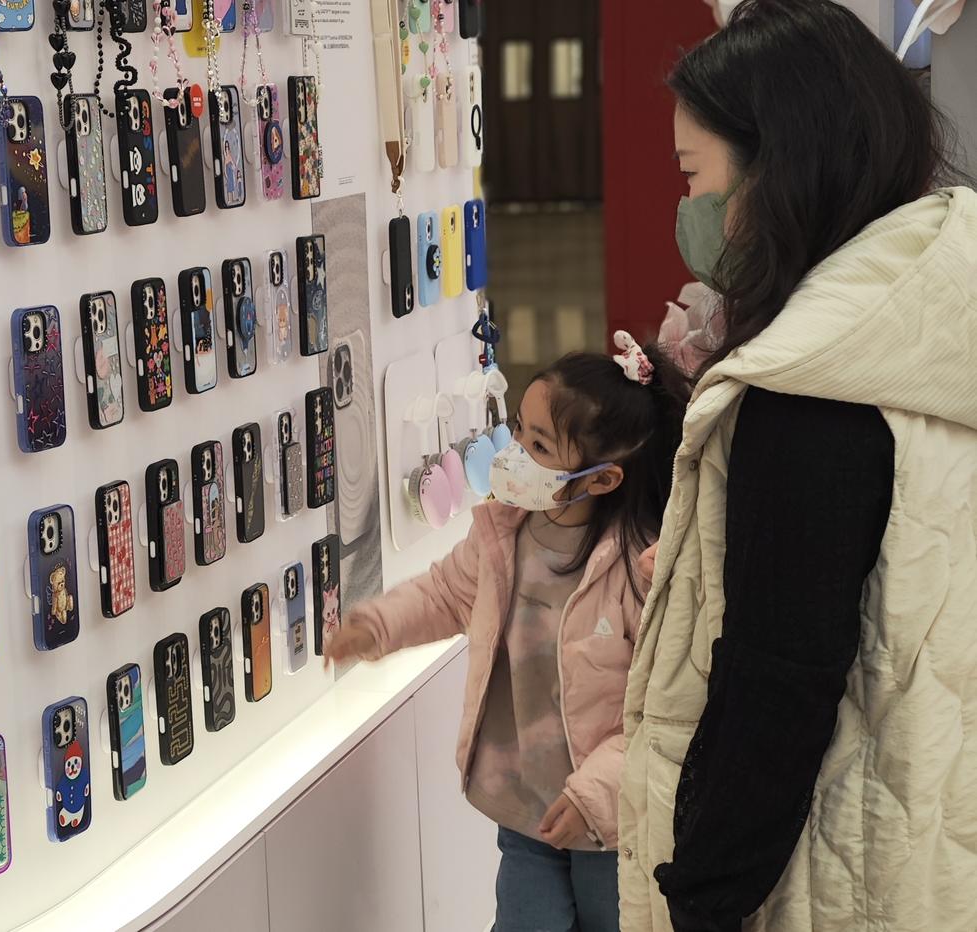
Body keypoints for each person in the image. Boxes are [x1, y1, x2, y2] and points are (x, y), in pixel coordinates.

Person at [618, 2, 977, 931]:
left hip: (831, 875)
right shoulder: (935, 314)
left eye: (693, 175)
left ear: (778, 165)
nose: (688, 209)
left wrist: (699, 896)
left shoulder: (811, 386)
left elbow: (776, 686)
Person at [326, 340, 689, 932]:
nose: (514, 452)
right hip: (523, 805)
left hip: (613, 820)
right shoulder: (502, 533)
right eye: (518, 429)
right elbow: (446, 594)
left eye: (539, 446)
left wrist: (595, 795)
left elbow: (660, 712)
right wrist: (378, 625)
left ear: (602, 479)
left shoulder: (640, 570)